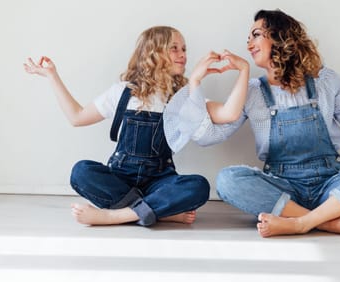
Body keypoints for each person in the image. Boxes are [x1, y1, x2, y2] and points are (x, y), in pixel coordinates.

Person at [164, 9, 340, 237]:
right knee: (227, 180)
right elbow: (210, 137)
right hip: (283, 189)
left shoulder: (326, 81)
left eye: (256, 35)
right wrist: (195, 84)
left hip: (331, 186)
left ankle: (299, 223)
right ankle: (327, 222)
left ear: (280, 37)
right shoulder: (252, 91)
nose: (248, 43)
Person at [23, 26, 248, 227]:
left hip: (159, 181)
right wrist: (52, 75)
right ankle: (156, 212)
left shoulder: (184, 98)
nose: (183, 55)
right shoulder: (122, 92)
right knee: (81, 171)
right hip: (121, 178)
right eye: (175, 48)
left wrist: (244, 70)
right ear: (154, 53)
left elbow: (230, 113)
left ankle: (116, 216)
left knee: (198, 186)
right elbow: (77, 117)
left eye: (184, 49)